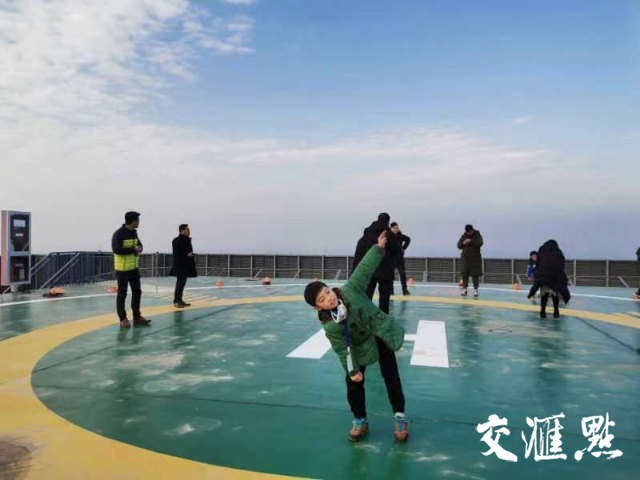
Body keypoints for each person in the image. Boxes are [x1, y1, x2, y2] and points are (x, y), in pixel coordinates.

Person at [304, 231, 408, 442]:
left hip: (379, 333)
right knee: (353, 383)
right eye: (323, 300)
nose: (329, 298)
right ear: (318, 307)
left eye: (327, 292)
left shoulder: (350, 290)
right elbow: (342, 350)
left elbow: (364, 269)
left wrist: (377, 248)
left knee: (391, 376)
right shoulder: (330, 327)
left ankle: (400, 417)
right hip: (358, 348)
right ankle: (360, 420)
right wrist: (352, 371)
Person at [352, 213, 400, 314]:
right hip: (385, 271)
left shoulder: (367, 232)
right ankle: (383, 318)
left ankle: (366, 317)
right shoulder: (388, 234)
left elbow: (359, 252)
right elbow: (397, 251)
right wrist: (392, 266)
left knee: (367, 296)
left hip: (370, 270)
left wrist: (354, 270)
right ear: (388, 221)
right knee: (384, 299)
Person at [111, 212, 151, 328]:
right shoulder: (118, 234)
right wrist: (133, 250)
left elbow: (140, 246)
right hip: (122, 269)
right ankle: (123, 318)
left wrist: (139, 248)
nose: (139, 222)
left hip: (133, 268)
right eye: (138, 220)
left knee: (137, 292)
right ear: (133, 221)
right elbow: (116, 249)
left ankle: (137, 317)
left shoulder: (134, 233)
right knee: (122, 294)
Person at [527, 240, 571, 317]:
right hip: (555, 278)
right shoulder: (558, 251)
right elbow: (562, 264)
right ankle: (556, 312)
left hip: (544, 278)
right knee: (555, 295)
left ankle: (542, 312)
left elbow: (538, 263)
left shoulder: (542, 250)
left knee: (544, 295)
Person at [170, 224, 197, 308]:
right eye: (187, 229)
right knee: (180, 283)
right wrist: (187, 254)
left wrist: (190, 254)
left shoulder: (187, 240)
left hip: (185, 266)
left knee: (182, 283)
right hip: (180, 266)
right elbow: (179, 252)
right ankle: (176, 301)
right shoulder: (177, 240)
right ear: (182, 231)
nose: (189, 231)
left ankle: (180, 300)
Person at [457, 224, 484, 297]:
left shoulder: (477, 234)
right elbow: (459, 245)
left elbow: (480, 243)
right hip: (465, 259)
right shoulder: (464, 236)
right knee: (464, 274)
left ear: (472, 230)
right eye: (467, 232)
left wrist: (471, 241)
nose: (468, 234)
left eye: (469, 232)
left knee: (475, 275)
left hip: (475, 259)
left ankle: (476, 290)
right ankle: (465, 289)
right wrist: (464, 243)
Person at [390, 222, 411, 295]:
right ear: (391, 229)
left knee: (403, 274)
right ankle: (391, 291)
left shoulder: (401, 236)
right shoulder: (389, 236)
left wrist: (403, 248)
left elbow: (408, 239)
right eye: (394, 228)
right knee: (390, 276)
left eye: (397, 228)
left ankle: (404, 290)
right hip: (391, 259)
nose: (396, 229)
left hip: (400, 259)